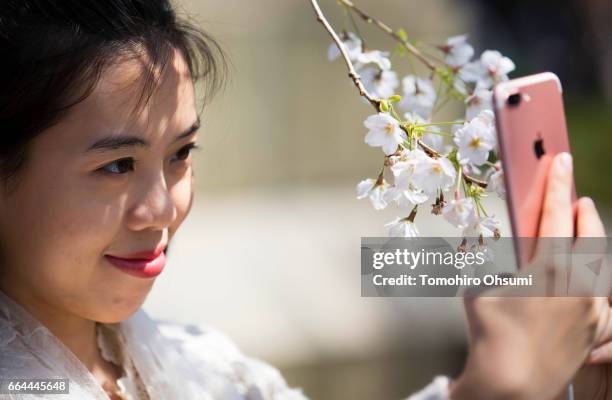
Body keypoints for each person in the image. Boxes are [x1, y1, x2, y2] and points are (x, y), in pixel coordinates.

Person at [0, 1, 609, 399]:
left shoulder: (202, 367)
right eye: (115, 166)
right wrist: (505, 385)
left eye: (181, 154)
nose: (161, 208)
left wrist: (567, 372)